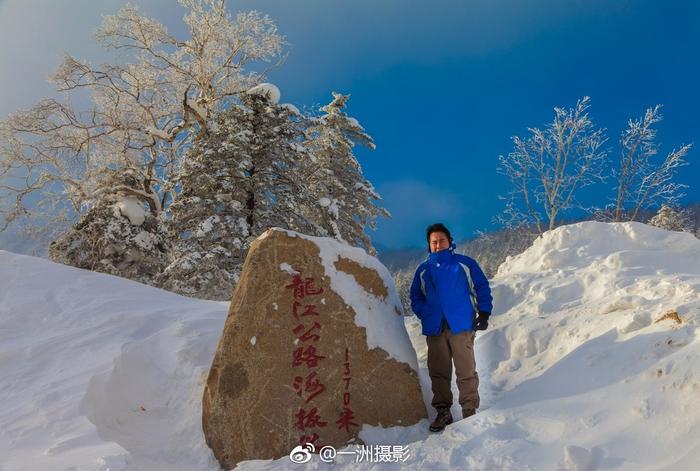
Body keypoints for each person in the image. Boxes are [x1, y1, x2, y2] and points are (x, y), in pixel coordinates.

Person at [410, 223, 493, 432]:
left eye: (441, 240)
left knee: (466, 371)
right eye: (434, 242)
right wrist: (425, 313)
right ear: (429, 245)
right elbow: (415, 296)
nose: (438, 245)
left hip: (461, 325)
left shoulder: (464, 264)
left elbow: (481, 287)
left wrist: (484, 312)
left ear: (449, 241)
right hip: (435, 329)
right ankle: (443, 412)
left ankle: (469, 411)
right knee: (439, 372)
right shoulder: (423, 269)